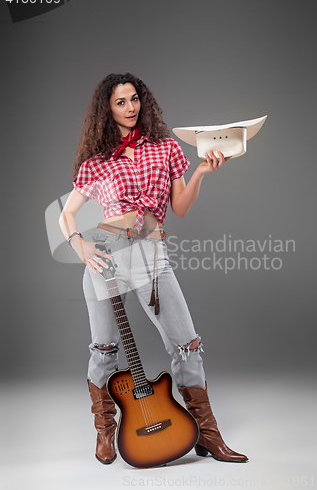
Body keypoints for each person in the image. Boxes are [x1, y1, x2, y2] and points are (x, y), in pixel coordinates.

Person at [59, 73, 248, 465]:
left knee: (186, 343)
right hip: (106, 256)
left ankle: (208, 436)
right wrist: (81, 247)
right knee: (105, 348)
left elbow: (178, 207)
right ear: (107, 110)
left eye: (134, 99)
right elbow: (67, 216)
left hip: (150, 252)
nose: (130, 108)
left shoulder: (166, 149)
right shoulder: (97, 161)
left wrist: (200, 173)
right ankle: (106, 432)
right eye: (120, 102)